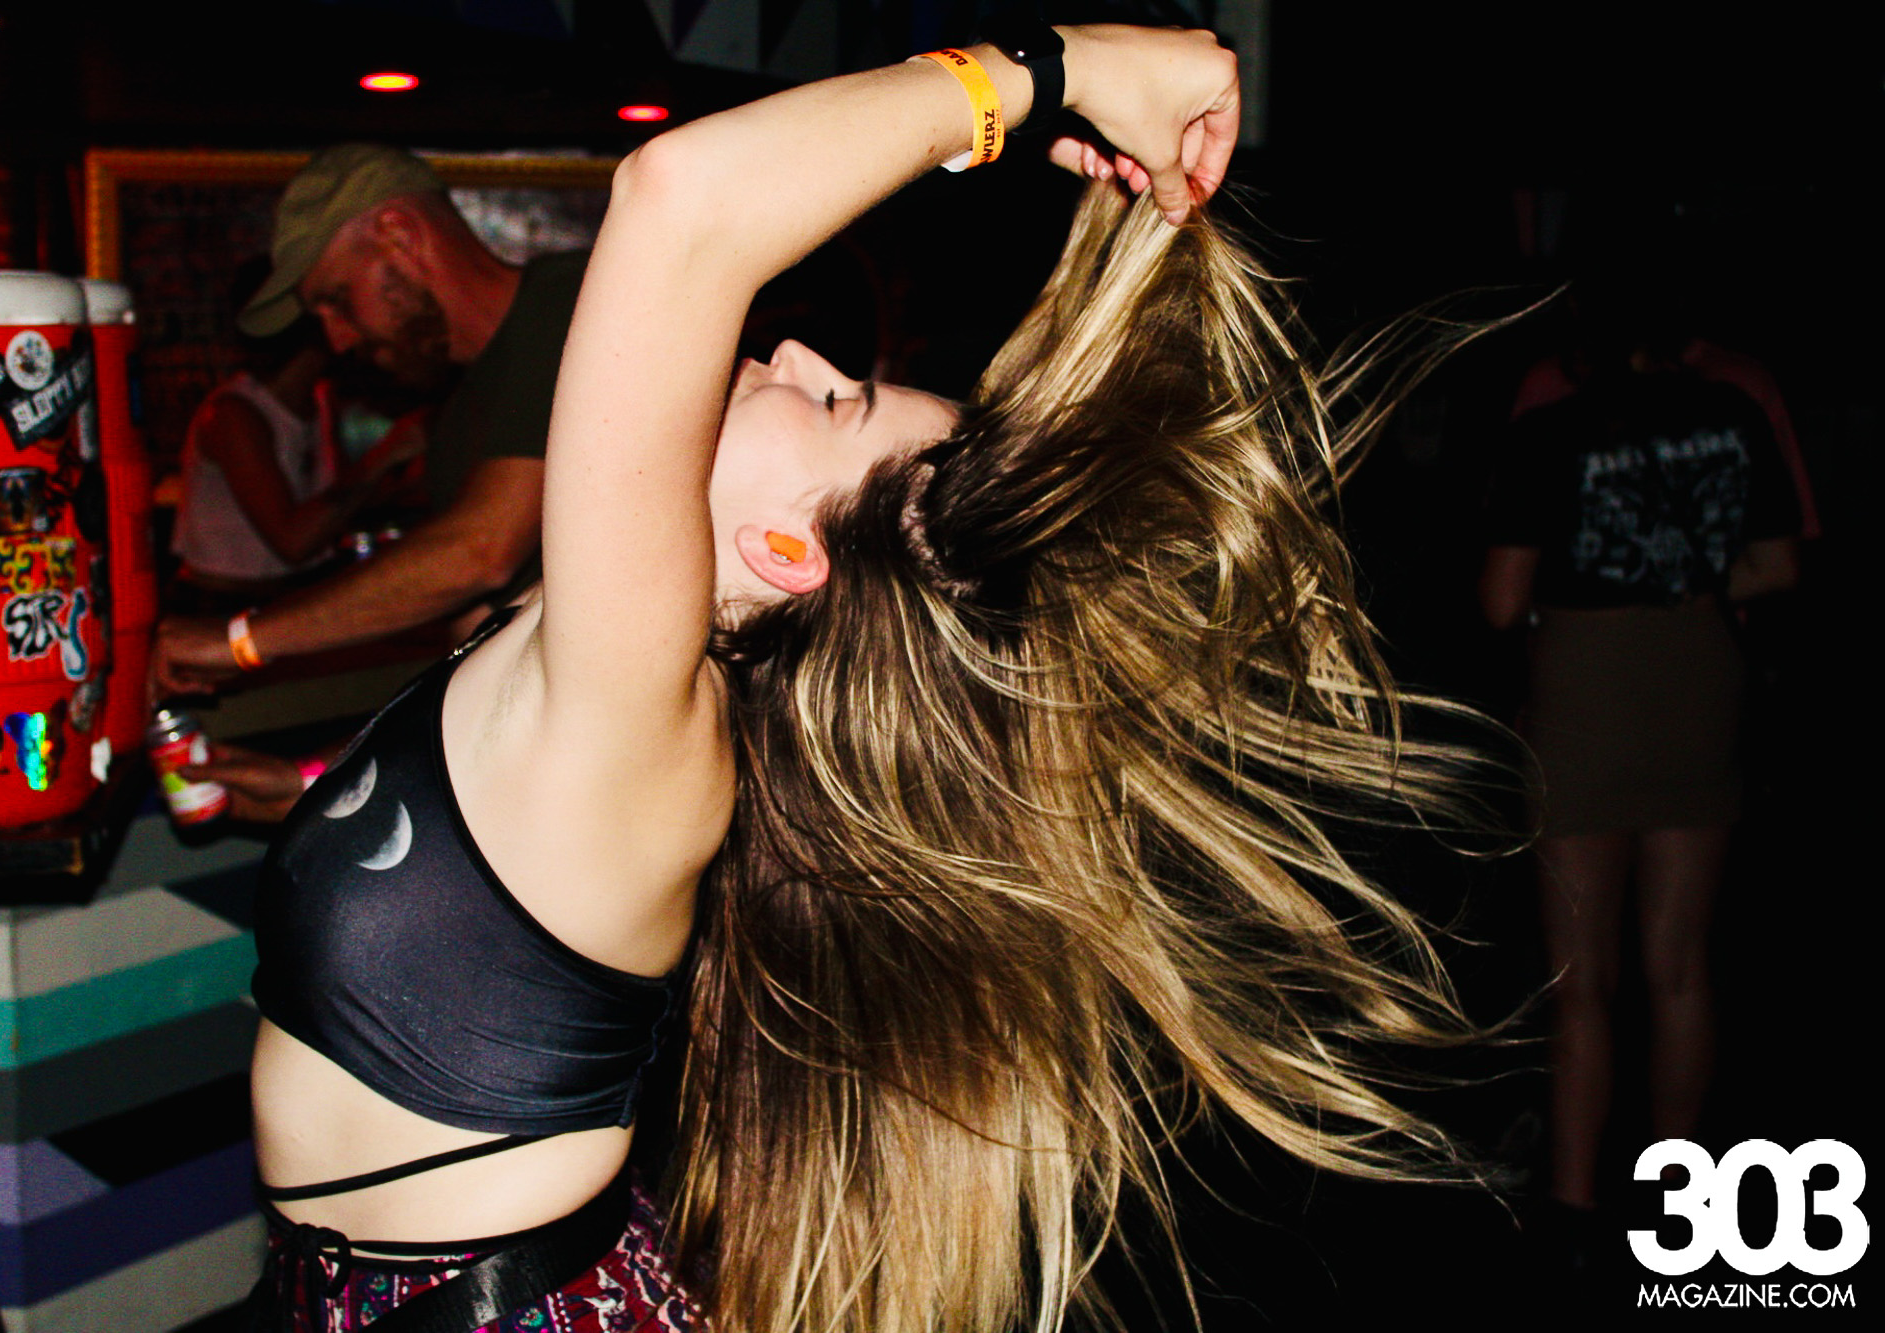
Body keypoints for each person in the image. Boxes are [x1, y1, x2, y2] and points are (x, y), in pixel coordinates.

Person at [251, 25, 1497, 1333]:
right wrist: (299, 788)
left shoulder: (636, 717)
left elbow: (682, 203)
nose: (797, 356)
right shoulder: (579, 660)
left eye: (834, 401)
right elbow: (472, 882)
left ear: (786, 553)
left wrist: (1059, 71)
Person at [1480, 280, 1801, 1251]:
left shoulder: (1550, 429)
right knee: (1681, 966)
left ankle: (1575, 1203)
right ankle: (1681, 1196)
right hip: (1697, 667)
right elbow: (1778, 566)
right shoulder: (1732, 414)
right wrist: (1678, 576)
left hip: (1585, 680)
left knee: (1581, 980)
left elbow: (1501, 601)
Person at [152, 143, 586, 696]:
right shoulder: (458, 409)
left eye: (339, 300)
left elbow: (480, 552)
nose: (336, 340)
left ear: (399, 235)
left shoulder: (569, 303)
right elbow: (476, 628)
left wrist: (241, 640)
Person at [170, 258, 413, 609]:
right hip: (223, 606)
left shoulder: (320, 399)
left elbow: (333, 507)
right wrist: (387, 454)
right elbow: (292, 541)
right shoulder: (234, 415)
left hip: (294, 594)